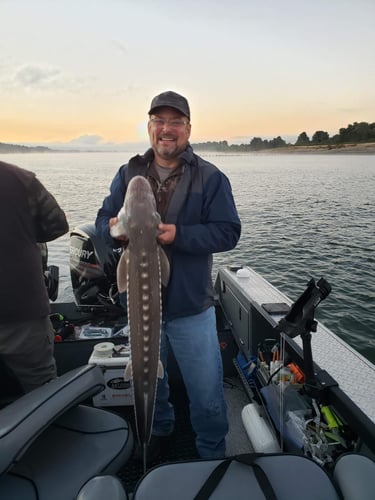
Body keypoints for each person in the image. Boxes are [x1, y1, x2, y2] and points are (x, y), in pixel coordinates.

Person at [95, 90, 241, 460]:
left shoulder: (210, 177)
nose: (167, 129)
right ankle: (158, 431)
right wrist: (115, 230)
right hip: (141, 311)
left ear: (188, 129)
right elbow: (101, 223)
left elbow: (228, 231)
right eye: (159, 121)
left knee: (207, 396)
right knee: (150, 385)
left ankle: (211, 452)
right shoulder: (128, 173)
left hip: (192, 309)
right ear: (149, 128)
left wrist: (181, 235)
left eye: (175, 122)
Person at [0, 161, 69, 395]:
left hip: (21, 311)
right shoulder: (21, 180)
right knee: (43, 393)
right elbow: (56, 225)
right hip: (22, 310)